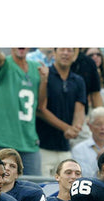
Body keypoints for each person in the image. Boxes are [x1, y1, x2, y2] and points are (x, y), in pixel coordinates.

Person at [0, 48, 47, 176]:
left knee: (33, 188)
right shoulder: (6, 63)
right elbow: (0, 59)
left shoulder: (36, 67)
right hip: (2, 140)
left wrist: (44, 80)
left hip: (29, 140)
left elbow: (41, 105)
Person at [36, 47, 86, 177]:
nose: (65, 53)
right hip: (43, 147)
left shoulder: (78, 80)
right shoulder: (45, 75)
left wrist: (76, 128)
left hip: (65, 148)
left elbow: (80, 109)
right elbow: (40, 109)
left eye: (70, 50)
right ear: (54, 53)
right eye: (62, 49)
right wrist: (67, 128)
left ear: (75, 55)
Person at [70, 106, 104, 177]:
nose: (103, 128)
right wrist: (98, 163)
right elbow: (80, 176)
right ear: (90, 126)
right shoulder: (79, 150)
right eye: (99, 124)